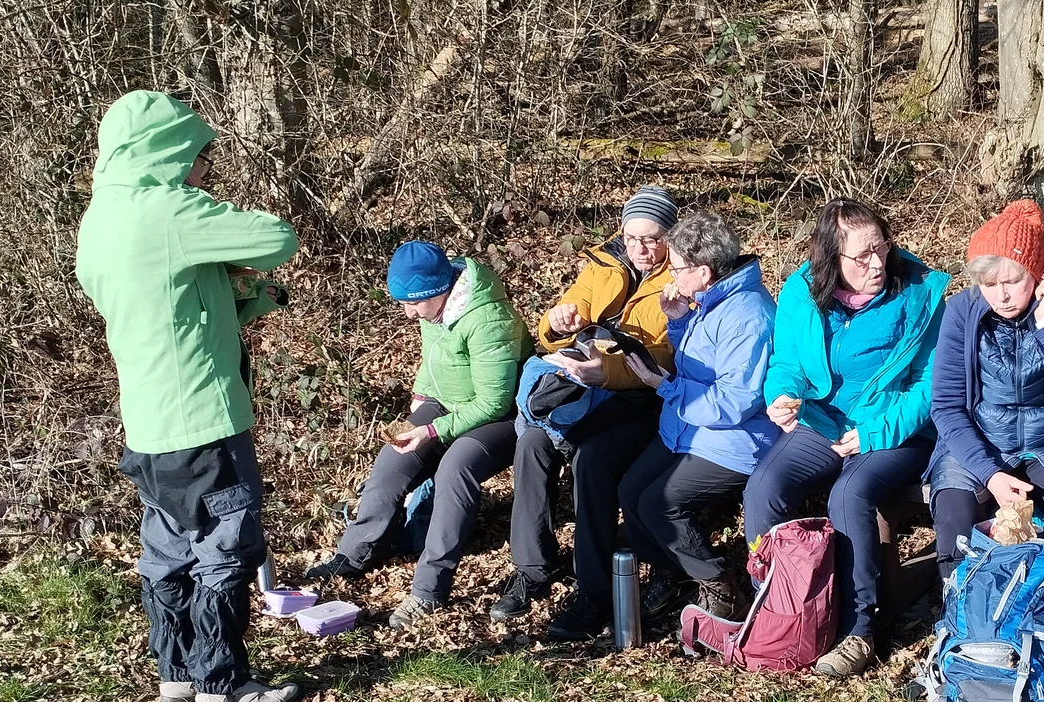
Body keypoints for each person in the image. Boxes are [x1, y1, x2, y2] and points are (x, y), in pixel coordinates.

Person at [76, 90, 301, 702]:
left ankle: (175, 673)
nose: (205, 170)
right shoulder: (169, 208)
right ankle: (222, 684)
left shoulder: (100, 220)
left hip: (148, 426)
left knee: (167, 549)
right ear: (167, 153)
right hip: (204, 420)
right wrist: (222, 245)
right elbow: (276, 238)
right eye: (201, 157)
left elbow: (169, 317)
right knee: (225, 546)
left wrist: (234, 290)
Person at [744, 200, 949, 679]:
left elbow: (930, 386)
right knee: (764, 489)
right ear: (830, 257)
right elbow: (786, 363)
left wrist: (873, 433)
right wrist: (782, 395)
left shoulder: (920, 294)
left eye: (882, 248)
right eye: (862, 256)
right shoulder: (800, 292)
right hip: (823, 422)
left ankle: (859, 628)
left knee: (849, 494)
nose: (877, 263)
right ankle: (781, 608)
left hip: (894, 430)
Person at [303, 241, 529, 628]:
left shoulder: (489, 319)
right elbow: (432, 359)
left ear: (441, 289)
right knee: (392, 460)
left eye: (415, 303)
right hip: (444, 405)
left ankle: (428, 590)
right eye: (403, 303)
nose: (409, 313)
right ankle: (356, 552)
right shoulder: (431, 306)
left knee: (454, 469)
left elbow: (494, 402)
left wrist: (431, 430)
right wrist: (421, 396)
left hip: (500, 418)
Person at [493, 185, 679, 633]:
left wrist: (607, 371)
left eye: (651, 239)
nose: (639, 248)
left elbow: (671, 358)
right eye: (631, 237)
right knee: (532, 442)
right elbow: (555, 324)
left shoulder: (682, 276)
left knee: (592, 458)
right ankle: (533, 567)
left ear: (670, 236)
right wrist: (558, 322)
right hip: (586, 390)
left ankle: (593, 593)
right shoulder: (603, 264)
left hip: (645, 400)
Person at [610, 211, 778, 632]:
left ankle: (720, 585)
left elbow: (735, 402)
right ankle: (672, 573)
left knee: (659, 503)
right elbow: (698, 361)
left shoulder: (748, 315)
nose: (670, 274)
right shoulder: (710, 300)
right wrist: (680, 320)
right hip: (690, 428)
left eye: (676, 267)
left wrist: (663, 386)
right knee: (630, 490)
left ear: (703, 271)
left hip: (736, 440)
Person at [928, 198, 1044, 581]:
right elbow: (946, 406)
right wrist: (989, 474)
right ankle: (960, 606)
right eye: (989, 284)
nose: (1001, 296)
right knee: (954, 515)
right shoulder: (962, 311)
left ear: (1037, 271)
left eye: (1012, 281)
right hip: (977, 444)